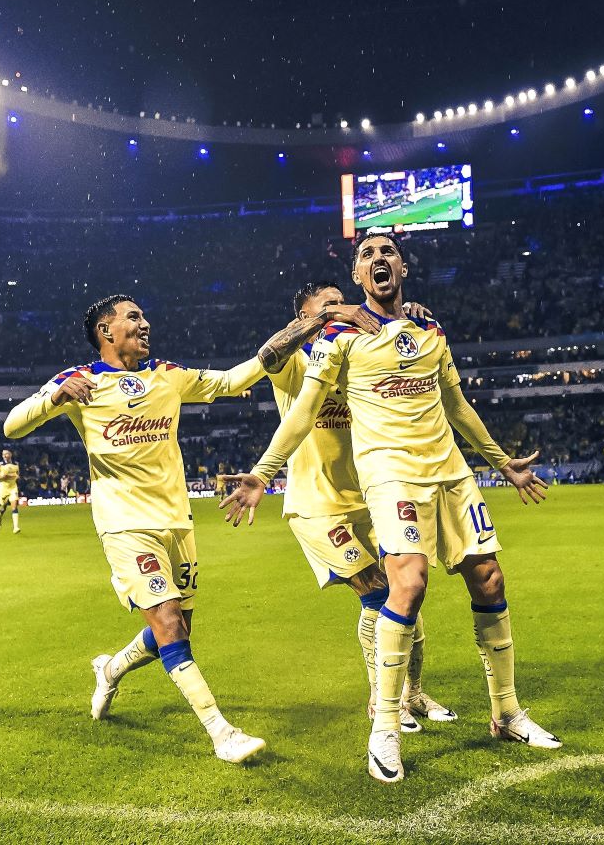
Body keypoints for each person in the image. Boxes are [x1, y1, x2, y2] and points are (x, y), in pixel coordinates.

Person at [220, 234, 558, 784]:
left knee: (490, 580)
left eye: (388, 251)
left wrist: (502, 464)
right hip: (389, 474)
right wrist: (263, 471)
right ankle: (384, 726)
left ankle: (506, 712)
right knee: (407, 584)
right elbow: (305, 406)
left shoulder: (431, 330)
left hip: (450, 472)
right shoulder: (337, 335)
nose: (379, 259)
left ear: (403, 265)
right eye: (367, 254)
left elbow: (457, 405)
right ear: (358, 276)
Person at [3, 293, 375, 764]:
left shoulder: (167, 374)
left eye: (144, 314)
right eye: (133, 317)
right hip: (123, 523)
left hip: (177, 521)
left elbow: (233, 378)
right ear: (106, 331)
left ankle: (111, 669)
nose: (145, 323)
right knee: (168, 622)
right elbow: (12, 427)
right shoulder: (80, 381)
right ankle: (221, 733)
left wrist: (298, 331)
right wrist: (54, 397)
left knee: (175, 633)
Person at [256, 280, 454, 734]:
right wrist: (321, 321)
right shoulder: (298, 363)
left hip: (369, 497)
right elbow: (266, 355)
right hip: (317, 505)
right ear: (305, 319)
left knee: (410, 598)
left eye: (341, 301)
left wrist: (408, 316)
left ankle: (414, 693)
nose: (343, 309)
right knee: (379, 594)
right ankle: (379, 702)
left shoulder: (356, 352)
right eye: (327, 306)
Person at [0, 450, 21, 533]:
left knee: (14, 506)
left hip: (13, 487)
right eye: (3, 454)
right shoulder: (0, 465)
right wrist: (1, 477)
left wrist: (16, 476)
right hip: (3, 488)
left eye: (6, 454)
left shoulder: (16, 464)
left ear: (10, 454)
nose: (4, 456)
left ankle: (15, 527)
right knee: (3, 507)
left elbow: (18, 474)